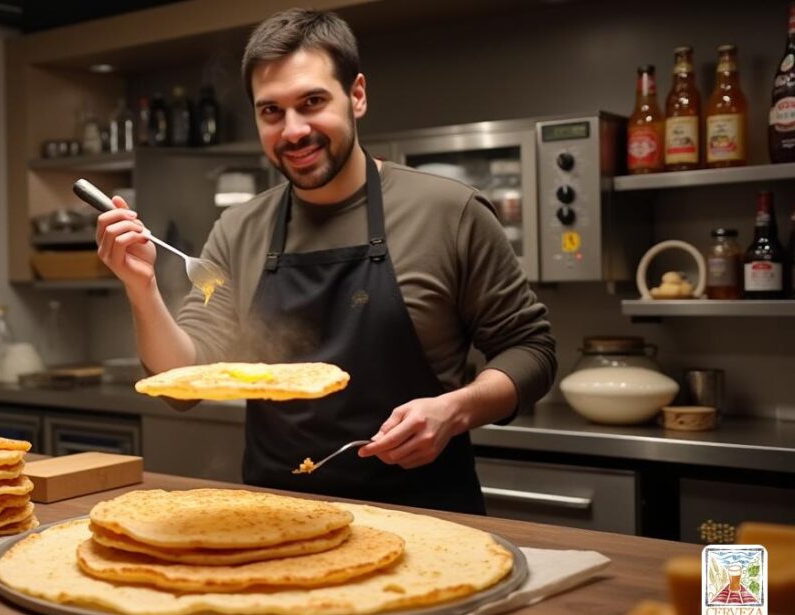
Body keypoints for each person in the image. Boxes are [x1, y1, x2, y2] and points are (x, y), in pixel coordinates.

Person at [95, 8, 556, 514]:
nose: (293, 130)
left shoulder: (448, 212)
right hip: (276, 518)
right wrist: (142, 288)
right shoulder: (239, 229)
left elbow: (530, 350)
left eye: (312, 102)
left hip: (427, 518)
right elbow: (181, 383)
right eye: (272, 111)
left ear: (356, 95)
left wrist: (455, 410)